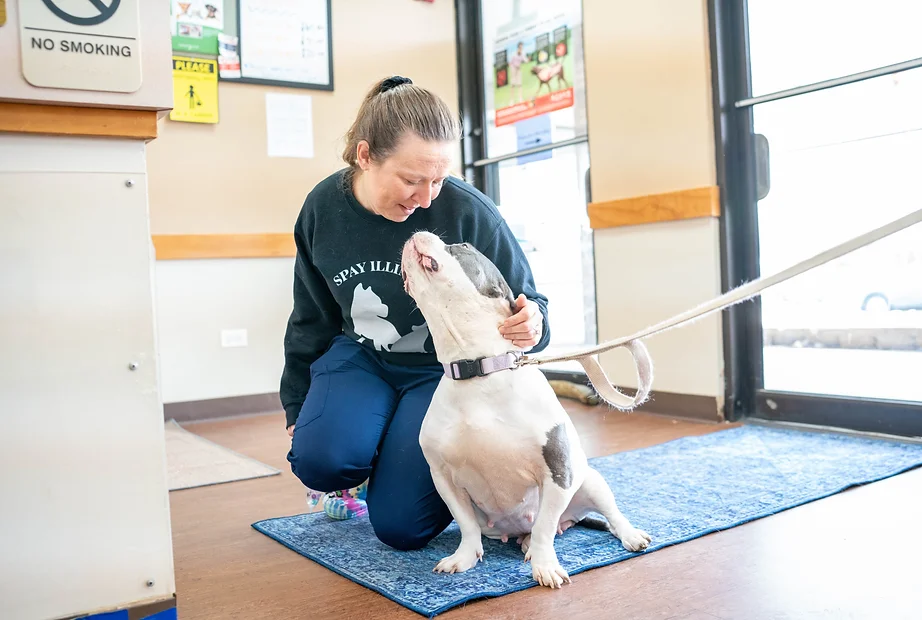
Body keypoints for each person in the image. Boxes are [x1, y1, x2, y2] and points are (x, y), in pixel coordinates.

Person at [281, 75, 551, 551]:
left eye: (439, 179)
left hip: (440, 372)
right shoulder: (322, 208)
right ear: (365, 156)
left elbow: (531, 304)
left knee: (402, 530)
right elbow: (311, 316)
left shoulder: (469, 213)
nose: (426, 197)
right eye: (411, 179)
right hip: (362, 358)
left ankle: (388, 462)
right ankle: (363, 453)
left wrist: (533, 323)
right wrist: (297, 403)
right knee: (320, 460)